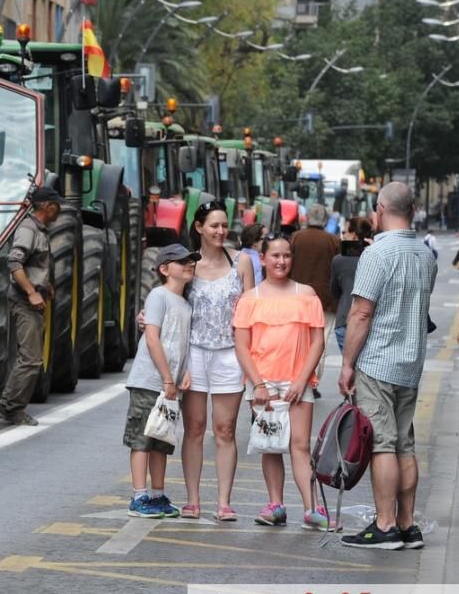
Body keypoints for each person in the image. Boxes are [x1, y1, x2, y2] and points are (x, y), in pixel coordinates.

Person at [339, 182, 437, 550]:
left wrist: (347, 363)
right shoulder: (425, 255)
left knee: (382, 444)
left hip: (379, 361)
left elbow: (362, 312)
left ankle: (384, 526)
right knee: (404, 445)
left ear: (380, 209)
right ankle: (408, 525)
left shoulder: (377, 255)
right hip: (411, 363)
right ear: (411, 209)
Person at [233, 233, 330, 531]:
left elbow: (317, 342)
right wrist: (258, 384)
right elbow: (241, 344)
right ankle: (275, 504)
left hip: (297, 381)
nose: (281, 261)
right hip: (262, 382)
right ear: (262, 259)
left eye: (286, 255)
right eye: (275, 255)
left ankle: (312, 508)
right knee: (271, 445)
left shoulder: (307, 294)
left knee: (300, 445)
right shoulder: (250, 299)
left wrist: (302, 380)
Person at [180, 200, 255, 521]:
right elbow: (170, 301)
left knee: (224, 430)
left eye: (224, 225)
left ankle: (224, 502)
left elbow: (253, 312)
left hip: (230, 353)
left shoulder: (241, 262)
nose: (221, 231)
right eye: (214, 225)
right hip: (194, 352)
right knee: (194, 429)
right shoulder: (186, 264)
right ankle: (193, 500)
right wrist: (147, 317)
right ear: (199, 228)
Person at [124, 244, 197, 518]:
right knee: (142, 439)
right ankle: (139, 495)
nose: (189, 265)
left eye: (191, 261)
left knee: (161, 440)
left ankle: (157, 494)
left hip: (170, 386)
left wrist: (184, 372)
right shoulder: (158, 295)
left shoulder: (185, 304)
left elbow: (183, 343)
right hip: (150, 380)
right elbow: (153, 338)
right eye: (182, 262)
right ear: (165, 269)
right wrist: (168, 378)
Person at [0, 187, 61, 426]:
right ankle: (10, 408)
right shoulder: (28, 229)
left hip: (33, 300)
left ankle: (11, 405)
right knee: (31, 358)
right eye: (56, 205)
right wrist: (31, 292)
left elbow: (35, 265)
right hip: (23, 301)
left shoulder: (40, 230)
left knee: (31, 357)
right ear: (47, 206)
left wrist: (46, 286)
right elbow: (14, 262)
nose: (59, 210)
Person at [290, 203, 340, 399]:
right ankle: (312, 381)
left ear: (307, 218)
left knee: (297, 338)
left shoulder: (296, 238)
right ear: (325, 220)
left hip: (297, 296)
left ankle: (297, 375)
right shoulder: (333, 241)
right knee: (320, 341)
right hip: (325, 299)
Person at [330, 216, 374, 352]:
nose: (342, 235)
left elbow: (334, 292)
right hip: (371, 322)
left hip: (345, 320)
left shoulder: (338, 260)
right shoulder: (376, 257)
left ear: (354, 235)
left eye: (344, 232)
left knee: (349, 367)